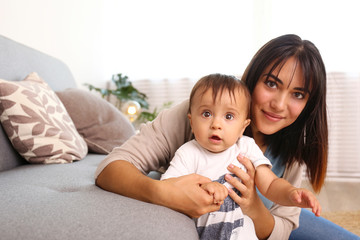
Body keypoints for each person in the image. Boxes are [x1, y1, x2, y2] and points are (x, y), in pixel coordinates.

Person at [95, 34, 357, 239]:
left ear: (308, 104)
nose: (279, 104)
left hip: (259, 216)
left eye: (298, 94)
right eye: (271, 83)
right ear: (253, 78)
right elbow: (110, 168)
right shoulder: (201, 115)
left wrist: (253, 206)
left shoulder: (287, 148)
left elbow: (280, 229)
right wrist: (163, 193)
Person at [160, 73, 321, 240]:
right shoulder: (188, 153)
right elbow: (166, 187)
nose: (216, 124)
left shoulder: (246, 147)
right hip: (202, 232)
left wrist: (291, 193)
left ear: (243, 127)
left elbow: (271, 184)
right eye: (206, 114)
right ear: (192, 121)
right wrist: (204, 186)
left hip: (241, 231)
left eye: (229, 116)